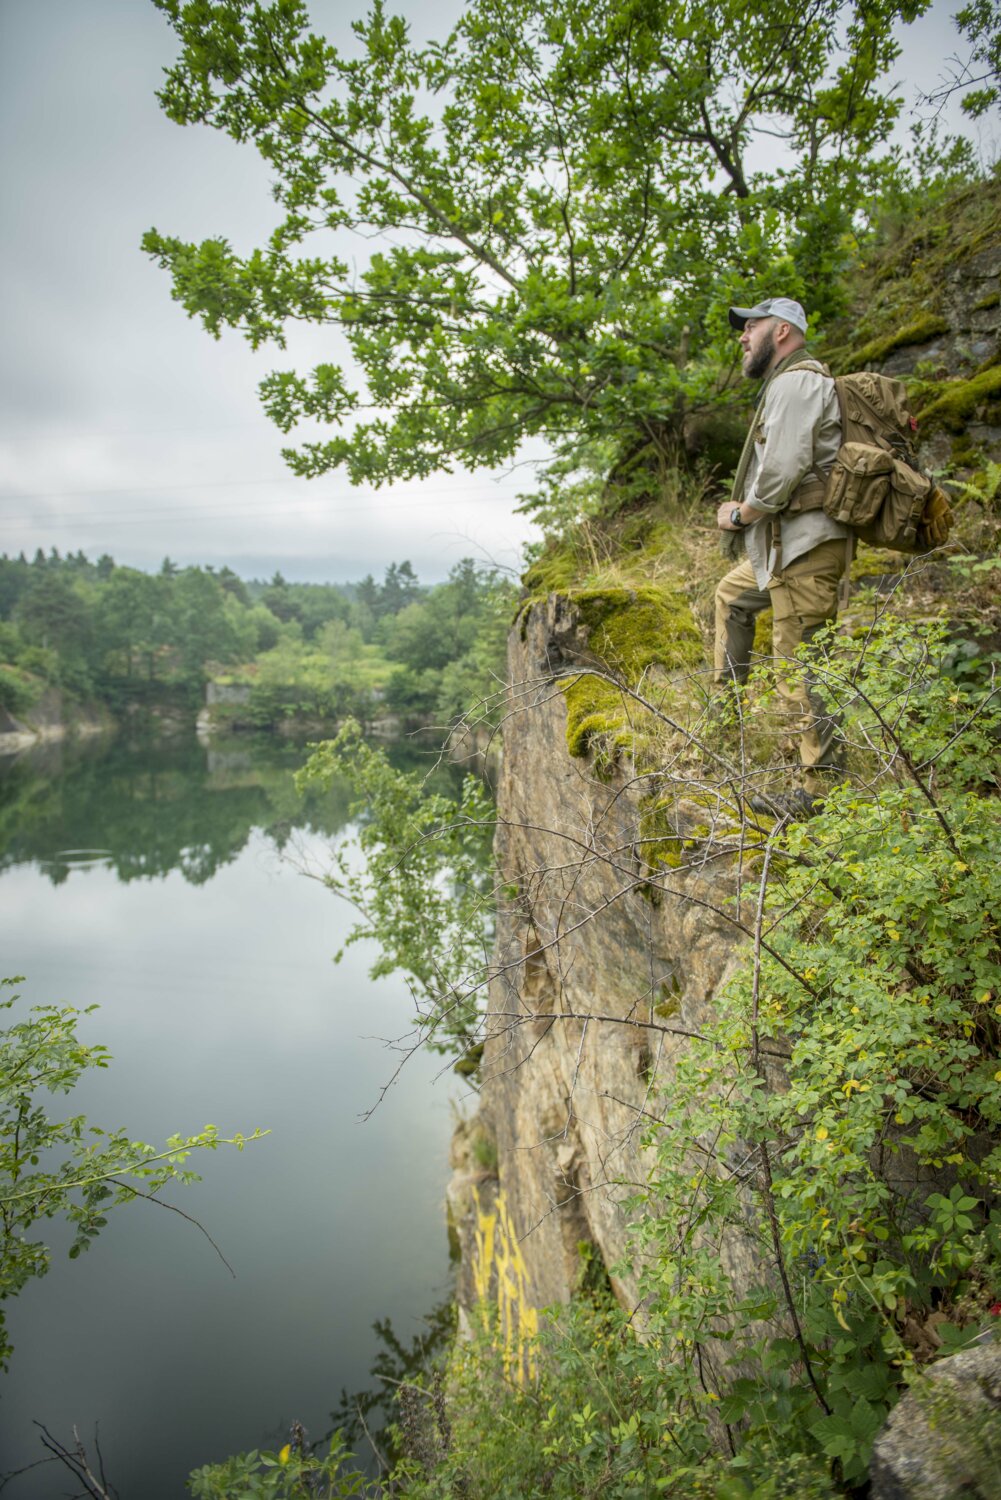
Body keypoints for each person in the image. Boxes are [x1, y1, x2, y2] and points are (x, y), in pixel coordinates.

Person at [714, 296, 851, 819]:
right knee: (732, 596)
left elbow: (783, 468)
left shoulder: (797, 382)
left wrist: (740, 514)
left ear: (785, 333)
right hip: (785, 546)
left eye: (753, 327)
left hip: (805, 548)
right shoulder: (785, 384)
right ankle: (725, 715)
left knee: (803, 668)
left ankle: (819, 797)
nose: (743, 337)